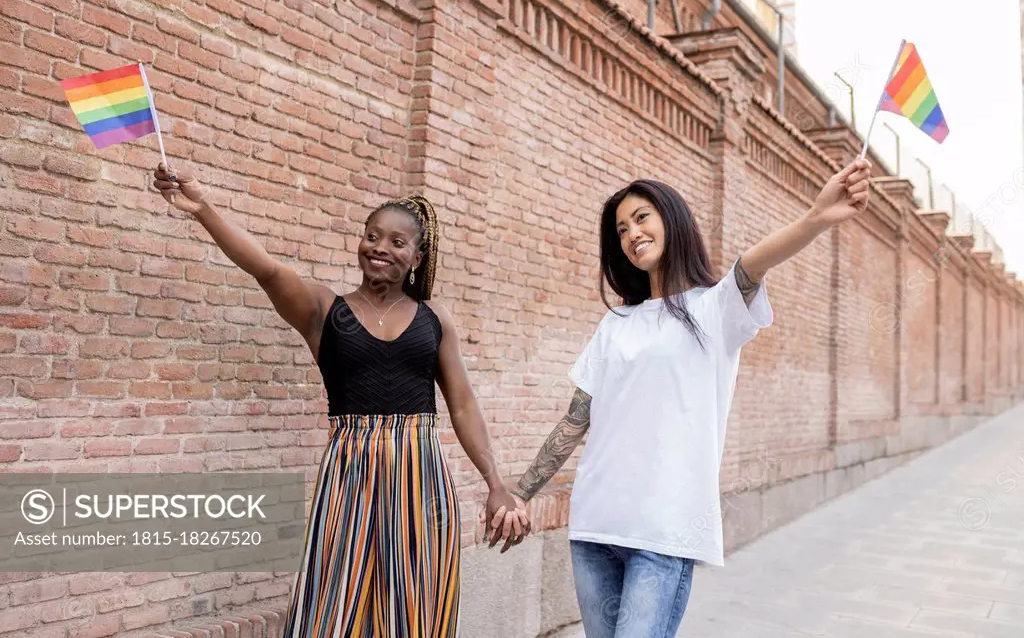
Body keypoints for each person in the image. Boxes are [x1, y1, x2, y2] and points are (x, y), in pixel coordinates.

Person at [151, 162, 529, 638]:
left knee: (417, 610)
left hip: (422, 480)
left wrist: (496, 482)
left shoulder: (436, 318)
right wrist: (203, 208)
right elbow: (265, 268)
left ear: (416, 256)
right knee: (333, 608)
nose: (380, 248)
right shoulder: (324, 310)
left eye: (397, 242)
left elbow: (463, 406)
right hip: (348, 478)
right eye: (372, 236)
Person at [503, 159, 872, 637]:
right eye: (621, 229)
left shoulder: (715, 309)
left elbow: (752, 265)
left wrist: (817, 217)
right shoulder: (615, 325)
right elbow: (576, 419)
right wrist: (520, 492)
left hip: (663, 532)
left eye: (641, 217)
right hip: (595, 526)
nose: (631, 233)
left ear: (671, 220)